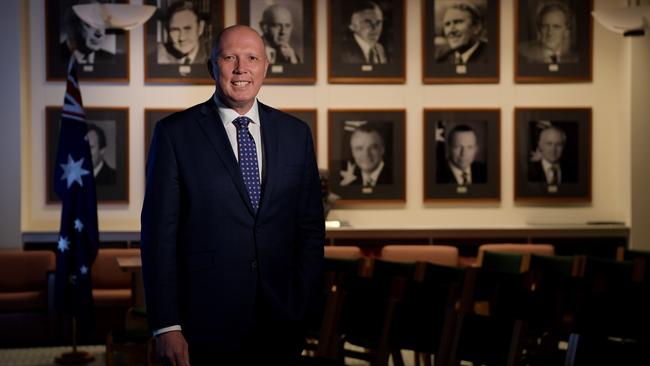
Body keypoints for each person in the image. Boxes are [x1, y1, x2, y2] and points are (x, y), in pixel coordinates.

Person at [141, 25, 324, 365]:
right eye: (230, 58)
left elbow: (310, 228)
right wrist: (166, 325)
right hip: (205, 324)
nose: (242, 68)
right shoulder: (174, 135)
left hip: (282, 323)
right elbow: (158, 238)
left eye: (252, 58)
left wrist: (304, 303)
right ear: (212, 67)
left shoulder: (295, 134)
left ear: (266, 66)